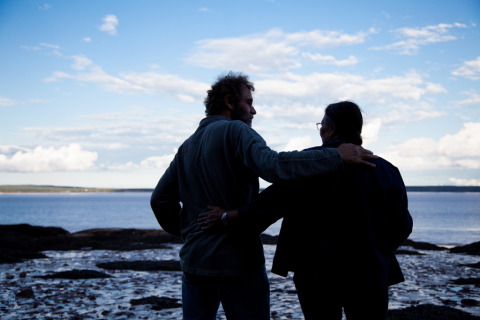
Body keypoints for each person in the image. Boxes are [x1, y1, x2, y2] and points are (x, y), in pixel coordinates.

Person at [150, 73, 377, 320]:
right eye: (248, 102)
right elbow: (274, 166)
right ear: (229, 101)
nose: (253, 110)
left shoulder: (187, 145)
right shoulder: (235, 130)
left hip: (194, 261)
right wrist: (335, 156)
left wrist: (190, 231)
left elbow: (159, 200)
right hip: (237, 263)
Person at [198, 101, 413, 320]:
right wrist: (375, 248)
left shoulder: (309, 163)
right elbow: (402, 227)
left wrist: (224, 216)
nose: (320, 129)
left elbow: (266, 208)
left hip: (316, 275)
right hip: (370, 273)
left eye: (322, 124)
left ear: (332, 128)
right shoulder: (387, 171)